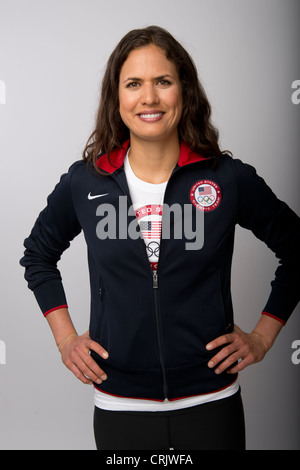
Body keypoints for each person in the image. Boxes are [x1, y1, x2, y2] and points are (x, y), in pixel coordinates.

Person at [20, 25, 300, 450]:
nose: (148, 98)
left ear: (184, 92)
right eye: (133, 84)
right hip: (120, 406)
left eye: (163, 82)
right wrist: (66, 339)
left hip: (211, 403)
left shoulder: (227, 178)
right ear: (117, 97)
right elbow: (38, 254)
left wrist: (262, 336)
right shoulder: (86, 182)